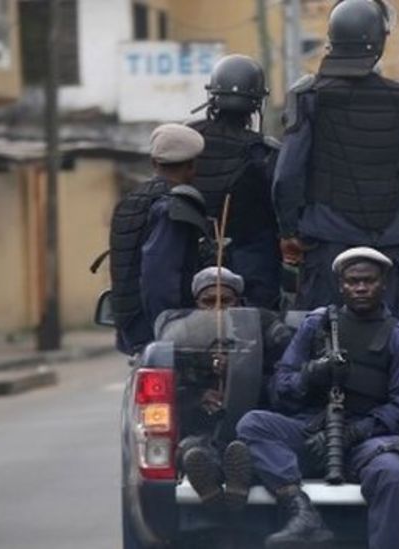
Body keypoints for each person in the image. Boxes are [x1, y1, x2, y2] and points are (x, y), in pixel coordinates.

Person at [235, 247, 399, 549]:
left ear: (384, 284)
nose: (361, 287)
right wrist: (310, 374)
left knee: (392, 474)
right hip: (313, 430)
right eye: (353, 281)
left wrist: (355, 432)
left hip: (368, 439)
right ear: (341, 285)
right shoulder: (317, 325)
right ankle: (301, 514)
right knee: (253, 424)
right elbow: (279, 388)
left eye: (369, 280)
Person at [272, 0, 399, 320]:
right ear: (380, 41)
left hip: (328, 242)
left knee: (317, 337)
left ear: (333, 38)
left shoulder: (310, 96)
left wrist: (289, 230)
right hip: (388, 242)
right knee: (396, 341)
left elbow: (286, 176)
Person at [170, 266, 295, 511]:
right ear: (197, 303)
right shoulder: (182, 334)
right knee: (194, 450)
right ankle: (215, 488)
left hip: (250, 423)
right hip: (203, 428)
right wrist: (199, 396)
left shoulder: (262, 324)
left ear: (238, 301)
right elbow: (173, 390)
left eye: (226, 301)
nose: (217, 308)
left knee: (245, 449)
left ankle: (234, 480)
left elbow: (286, 370)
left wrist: (241, 366)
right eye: (208, 302)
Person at [107, 123, 212, 354]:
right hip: (160, 334)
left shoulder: (132, 201)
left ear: (154, 163)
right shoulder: (172, 208)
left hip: (132, 327)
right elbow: (160, 279)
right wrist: (170, 333)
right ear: (193, 166)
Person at [188, 54, 283, 309]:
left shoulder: (188, 138)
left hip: (191, 257)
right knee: (263, 328)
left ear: (213, 95)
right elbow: (281, 205)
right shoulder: (264, 151)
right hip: (252, 261)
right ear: (257, 103)